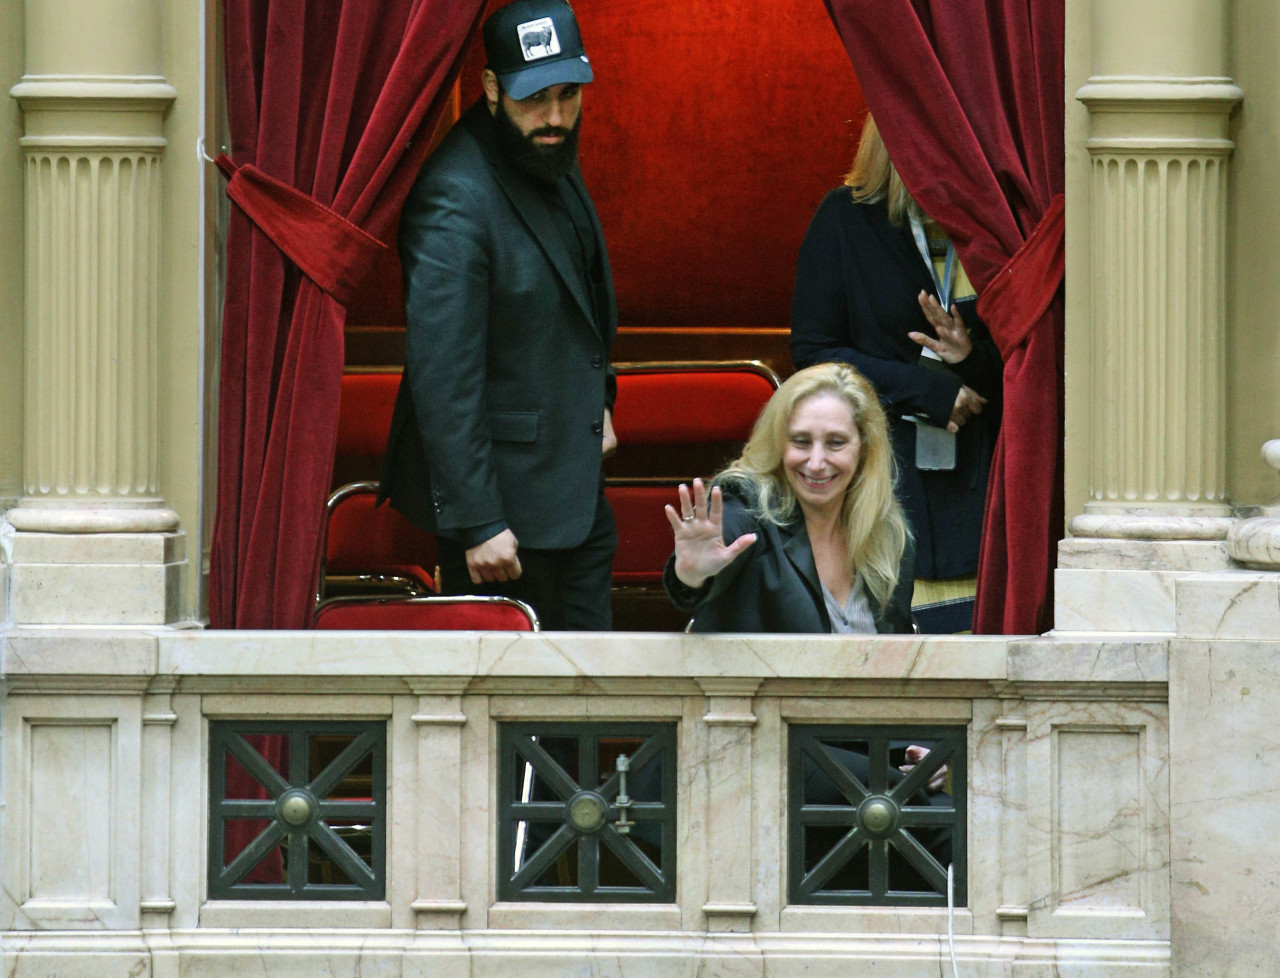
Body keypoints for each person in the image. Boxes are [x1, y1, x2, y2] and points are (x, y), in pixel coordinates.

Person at [380, 0, 618, 630]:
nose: (556, 117)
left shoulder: (543, 153)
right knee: (515, 720)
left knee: (591, 705)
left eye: (569, 94)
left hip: (571, 493)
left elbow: (579, 300)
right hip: (504, 521)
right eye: (535, 97)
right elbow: (443, 374)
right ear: (490, 88)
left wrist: (603, 398)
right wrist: (479, 521)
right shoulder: (454, 194)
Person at [790, 116, 1002, 632]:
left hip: (979, 474)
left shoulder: (994, 221)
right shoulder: (844, 218)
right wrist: (929, 388)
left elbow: (1033, 358)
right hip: (882, 472)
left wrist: (968, 358)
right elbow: (814, 351)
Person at [662, 362, 915, 634]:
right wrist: (693, 574)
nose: (816, 463)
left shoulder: (887, 534)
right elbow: (716, 549)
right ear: (778, 443)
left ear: (864, 448)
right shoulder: (745, 506)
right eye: (801, 441)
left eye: (835, 443)